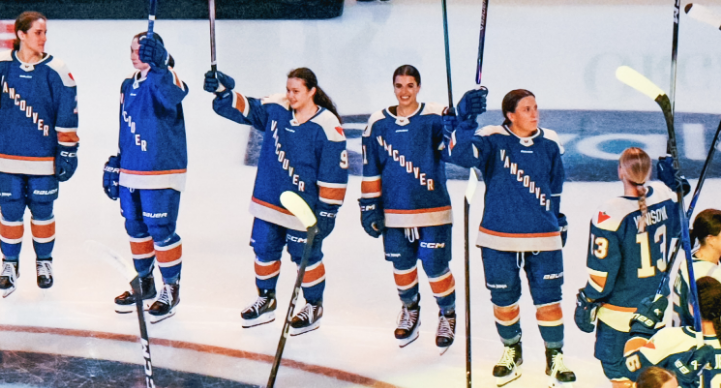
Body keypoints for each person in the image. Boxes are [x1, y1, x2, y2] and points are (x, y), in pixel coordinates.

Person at [206, 59, 347, 334]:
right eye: (288, 89)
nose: (290, 95)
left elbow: (334, 173)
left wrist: (328, 211)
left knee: (305, 257)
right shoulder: (276, 108)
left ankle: (313, 304)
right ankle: (266, 299)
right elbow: (242, 109)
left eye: (296, 91)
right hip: (268, 201)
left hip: (302, 209)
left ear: (311, 92)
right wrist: (223, 91)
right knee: (264, 252)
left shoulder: (327, 125)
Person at [449, 87, 573, 388]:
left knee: (550, 302)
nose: (534, 113)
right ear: (510, 115)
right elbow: (460, 155)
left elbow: (555, 185)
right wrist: (465, 119)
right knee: (504, 302)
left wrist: (557, 217)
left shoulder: (550, 142)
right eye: (527, 109)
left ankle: (555, 358)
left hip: (543, 235)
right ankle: (512, 351)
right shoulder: (492, 137)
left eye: (535, 107)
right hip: (498, 236)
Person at [0, 11, 80, 296]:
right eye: (37, 33)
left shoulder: (58, 70)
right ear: (21, 34)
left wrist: (68, 151)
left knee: (43, 212)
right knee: (10, 212)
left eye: (44, 33)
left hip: (43, 157)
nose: (43, 38)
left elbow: (67, 115)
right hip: (6, 155)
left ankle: (44, 262)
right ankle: (10, 265)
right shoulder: (1, 65)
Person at [359, 65, 458, 349]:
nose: (405, 92)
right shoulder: (378, 122)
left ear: (419, 87)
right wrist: (369, 206)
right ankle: (410, 308)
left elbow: (454, 151)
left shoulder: (436, 115)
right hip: (394, 210)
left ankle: (447, 313)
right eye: (399, 86)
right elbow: (371, 168)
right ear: (393, 87)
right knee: (401, 265)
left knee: (435, 266)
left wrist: (456, 126)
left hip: (432, 208)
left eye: (410, 86)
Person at [571, 146, 680, 388]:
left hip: (620, 315)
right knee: (654, 377)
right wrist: (677, 193)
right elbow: (677, 231)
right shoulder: (663, 194)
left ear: (621, 171)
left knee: (622, 378)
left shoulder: (610, 213)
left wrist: (588, 298)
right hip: (656, 309)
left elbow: (603, 275)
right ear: (649, 170)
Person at [104, 31, 188, 319]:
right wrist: (118, 159)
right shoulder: (128, 84)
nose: (134, 53)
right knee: (135, 228)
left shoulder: (166, 78)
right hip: (131, 169)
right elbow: (125, 124)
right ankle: (145, 282)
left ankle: (170, 288)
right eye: (132, 48)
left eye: (142, 50)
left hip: (161, 170)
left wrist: (161, 65)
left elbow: (174, 95)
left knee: (161, 231)